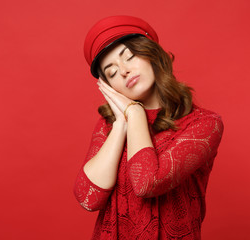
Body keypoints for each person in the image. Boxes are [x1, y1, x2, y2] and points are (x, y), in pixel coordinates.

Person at [73, 15, 224, 240]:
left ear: (151, 54)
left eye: (130, 56)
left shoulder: (204, 124)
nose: (123, 71)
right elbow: (88, 197)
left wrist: (135, 113)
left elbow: (146, 182)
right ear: (109, 87)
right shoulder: (108, 126)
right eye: (112, 72)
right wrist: (122, 122)